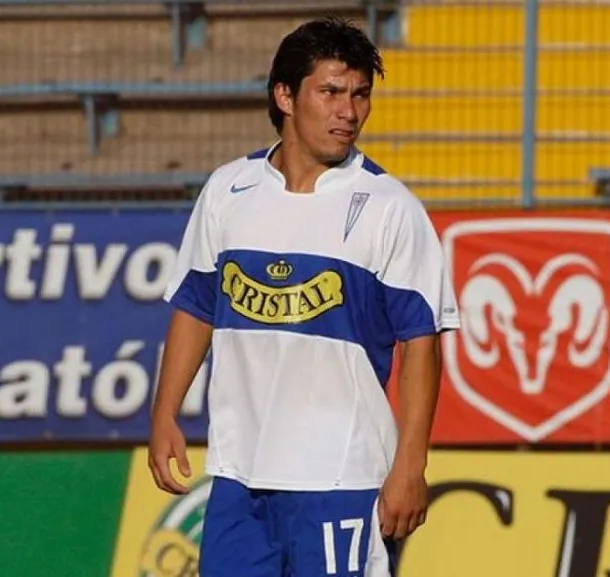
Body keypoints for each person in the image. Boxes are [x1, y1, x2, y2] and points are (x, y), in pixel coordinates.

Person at [149, 16, 460, 576]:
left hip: (342, 479)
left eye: (361, 95)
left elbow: (421, 342)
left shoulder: (389, 207)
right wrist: (165, 411)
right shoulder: (228, 190)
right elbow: (196, 306)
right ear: (285, 96)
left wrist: (410, 464)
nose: (350, 111)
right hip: (239, 478)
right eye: (332, 92)